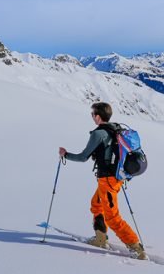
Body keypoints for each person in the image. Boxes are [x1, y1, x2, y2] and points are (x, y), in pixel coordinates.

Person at [59, 102, 147, 260]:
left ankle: (136, 248)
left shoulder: (98, 134)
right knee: (96, 204)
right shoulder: (116, 128)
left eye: (92, 114)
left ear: (98, 116)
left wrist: (66, 155)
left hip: (108, 180)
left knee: (112, 217)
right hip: (116, 177)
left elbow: (83, 157)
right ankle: (100, 238)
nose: (92, 117)